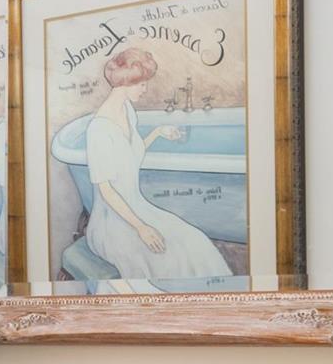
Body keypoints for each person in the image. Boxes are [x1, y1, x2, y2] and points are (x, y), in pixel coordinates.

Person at [80, 46, 232, 286]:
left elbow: (130, 153)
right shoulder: (99, 129)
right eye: (141, 84)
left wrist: (158, 132)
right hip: (112, 223)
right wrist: (142, 227)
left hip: (137, 207)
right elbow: (107, 190)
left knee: (195, 240)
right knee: (168, 257)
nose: (145, 89)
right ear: (125, 83)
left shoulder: (127, 111)